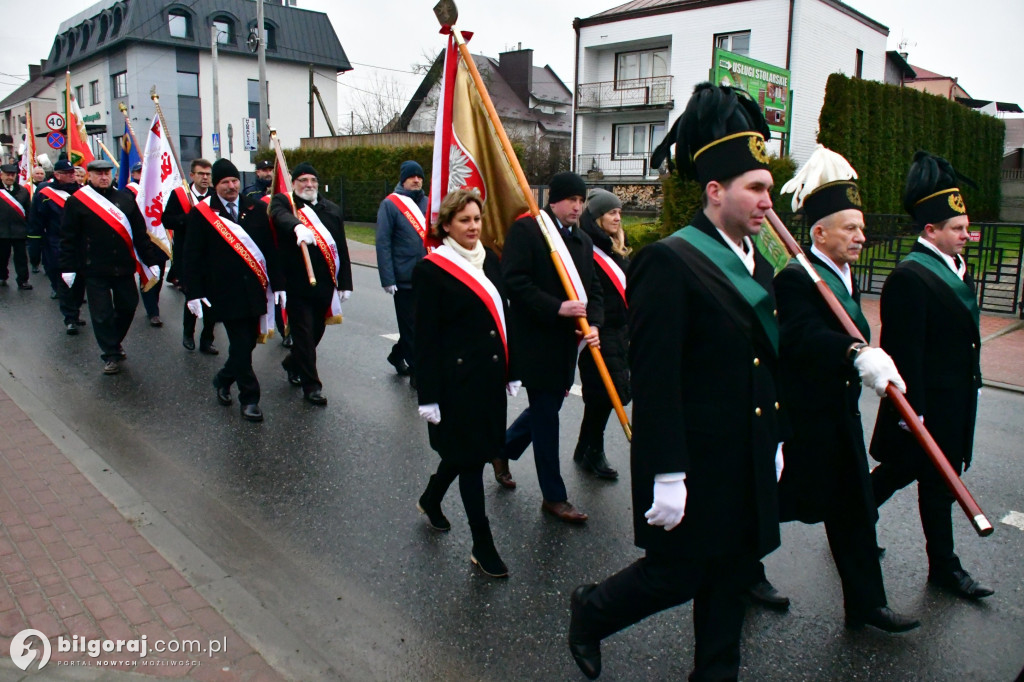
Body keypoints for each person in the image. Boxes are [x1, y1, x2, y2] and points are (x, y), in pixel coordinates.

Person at [568, 83, 784, 680]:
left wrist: (777, 439)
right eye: (757, 189)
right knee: (678, 574)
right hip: (695, 457)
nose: (769, 201)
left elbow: (766, 363)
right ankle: (590, 610)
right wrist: (666, 471)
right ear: (716, 191)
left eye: (768, 188)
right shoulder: (669, 259)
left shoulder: (759, 264)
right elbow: (656, 377)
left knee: (733, 577)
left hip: (745, 454)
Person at [746, 145, 919, 632]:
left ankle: (866, 604)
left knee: (854, 514)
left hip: (839, 418)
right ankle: (740, 570)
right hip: (800, 421)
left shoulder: (842, 278)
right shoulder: (798, 278)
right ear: (819, 231)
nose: (861, 237)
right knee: (768, 506)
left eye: (862, 228)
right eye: (850, 228)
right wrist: (852, 353)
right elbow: (800, 335)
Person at [869, 151, 993, 600]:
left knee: (929, 484)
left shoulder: (959, 268)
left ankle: (937, 564)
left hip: (956, 404)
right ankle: (940, 564)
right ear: (930, 230)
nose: (966, 235)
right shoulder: (909, 277)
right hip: (922, 410)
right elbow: (905, 355)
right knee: (904, 477)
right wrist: (912, 413)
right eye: (958, 229)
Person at [412, 190, 518, 578]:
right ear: (446, 226)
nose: (473, 227)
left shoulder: (490, 260)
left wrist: (513, 367)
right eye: (465, 220)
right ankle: (482, 544)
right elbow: (424, 337)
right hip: (455, 385)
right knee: (473, 461)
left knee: (467, 452)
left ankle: (430, 496)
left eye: (477, 219)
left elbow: (505, 317)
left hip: (488, 379)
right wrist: (428, 396)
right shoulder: (431, 270)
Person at [497, 171, 602, 523]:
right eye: (571, 199)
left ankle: (502, 449)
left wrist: (595, 324)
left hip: (566, 346)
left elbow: (595, 290)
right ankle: (554, 497)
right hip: (536, 340)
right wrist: (556, 307)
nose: (577, 206)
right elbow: (514, 282)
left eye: (581, 200)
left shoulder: (584, 241)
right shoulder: (529, 231)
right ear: (553, 200)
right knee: (546, 416)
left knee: (548, 407)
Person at [183, 158, 285, 422]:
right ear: (216, 185)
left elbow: (270, 250)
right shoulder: (202, 213)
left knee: (248, 343)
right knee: (240, 343)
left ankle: (223, 378)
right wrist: (193, 292)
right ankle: (250, 399)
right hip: (223, 292)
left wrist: (279, 284)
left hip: (255, 290)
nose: (231, 186)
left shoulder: (256, 208)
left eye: (234, 181)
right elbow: (191, 255)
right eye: (224, 182)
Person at [58, 159, 167, 374]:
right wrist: (68, 267)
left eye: (107, 172)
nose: (103, 177)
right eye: (98, 173)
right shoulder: (78, 201)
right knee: (101, 313)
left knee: (128, 306)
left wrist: (150, 261)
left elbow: (139, 234)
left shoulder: (125, 199)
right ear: (89, 175)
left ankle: (114, 341)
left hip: (123, 266)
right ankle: (110, 354)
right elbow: (68, 237)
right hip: (94, 267)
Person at [269, 162, 353, 405]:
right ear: (294, 183)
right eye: (303, 180)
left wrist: (345, 282)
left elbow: (342, 248)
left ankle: (291, 362)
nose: (309, 185)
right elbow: (278, 216)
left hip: (324, 284)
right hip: (296, 284)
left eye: (313, 180)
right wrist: (297, 226)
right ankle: (311, 386)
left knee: (316, 332)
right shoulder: (286, 204)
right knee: (304, 335)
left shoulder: (332, 210)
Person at [573, 188, 630, 480]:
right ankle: (594, 451)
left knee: (607, 394)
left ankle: (585, 447)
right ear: (596, 218)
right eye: (611, 212)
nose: (618, 218)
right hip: (598, 330)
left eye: (619, 212)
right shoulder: (587, 249)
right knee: (603, 394)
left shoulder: (616, 246)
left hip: (619, 329)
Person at [376, 160, 429, 382]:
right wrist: (388, 278)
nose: (416, 180)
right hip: (404, 278)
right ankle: (418, 373)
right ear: (403, 179)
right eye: (411, 176)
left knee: (424, 326)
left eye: (419, 176)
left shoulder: (429, 202)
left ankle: (397, 355)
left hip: (428, 276)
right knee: (410, 328)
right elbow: (383, 242)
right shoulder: (390, 204)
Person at [166, 159, 218, 352]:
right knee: (192, 296)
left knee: (212, 299)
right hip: (187, 255)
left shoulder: (215, 195)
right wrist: (189, 219)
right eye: (201, 174)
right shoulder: (180, 196)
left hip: (212, 256)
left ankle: (207, 339)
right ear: (192, 175)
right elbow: (167, 219)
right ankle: (188, 334)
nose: (205, 178)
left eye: (208, 174)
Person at [30, 160, 83, 315]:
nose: (72, 175)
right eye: (67, 173)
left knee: (79, 282)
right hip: (56, 243)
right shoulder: (45, 194)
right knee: (64, 281)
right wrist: (35, 245)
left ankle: (76, 309)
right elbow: (36, 221)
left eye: (73, 172)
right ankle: (70, 318)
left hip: (79, 244)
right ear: (57, 175)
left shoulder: (82, 192)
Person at [0, 163, 33, 290]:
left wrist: (29, 227)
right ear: (1, 175)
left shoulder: (22, 191)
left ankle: (23, 280)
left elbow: (28, 210)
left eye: (12, 175)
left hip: (19, 229)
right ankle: (2, 275)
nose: (10, 177)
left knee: (21, 257)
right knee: (2, 256)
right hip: (1, 230)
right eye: (7, 175)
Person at [28, 166, 46, 273]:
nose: (39, 175)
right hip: (33, 221)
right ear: (33, 175)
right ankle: (35, 263)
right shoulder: (27, 187)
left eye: (41, 173)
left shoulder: (48, 186)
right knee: (34, 247)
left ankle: (46, 264)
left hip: (45, 221)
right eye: (37, 173)